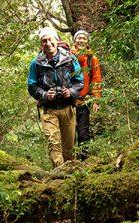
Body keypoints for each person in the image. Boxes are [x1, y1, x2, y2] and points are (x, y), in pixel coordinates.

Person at [27, 27, 84, 168]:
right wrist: (45, 95)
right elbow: (32, 86)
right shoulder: (36, 63)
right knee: (54, 142)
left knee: (69, 146)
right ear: (41, 44)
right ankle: (59, 174)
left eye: (50, 39)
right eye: (44, 41)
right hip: (48, 109)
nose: (47, 43)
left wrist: (71, 91)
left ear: (56, 40)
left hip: (67, 107)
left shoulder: (70, 58)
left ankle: (71, 172)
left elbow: (79, 81)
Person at [71, 30, 103, 160]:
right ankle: (68, 163)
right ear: (74, 40)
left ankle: (84, 163)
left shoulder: (92, 58)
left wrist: (96, 100)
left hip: (84, 101)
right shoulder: (68, 55)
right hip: (69, 101)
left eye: (84, 38)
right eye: (79, 38)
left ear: (87, 41)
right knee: (69, 134)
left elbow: (96, 79)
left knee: (84, 134)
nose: (81, 41)